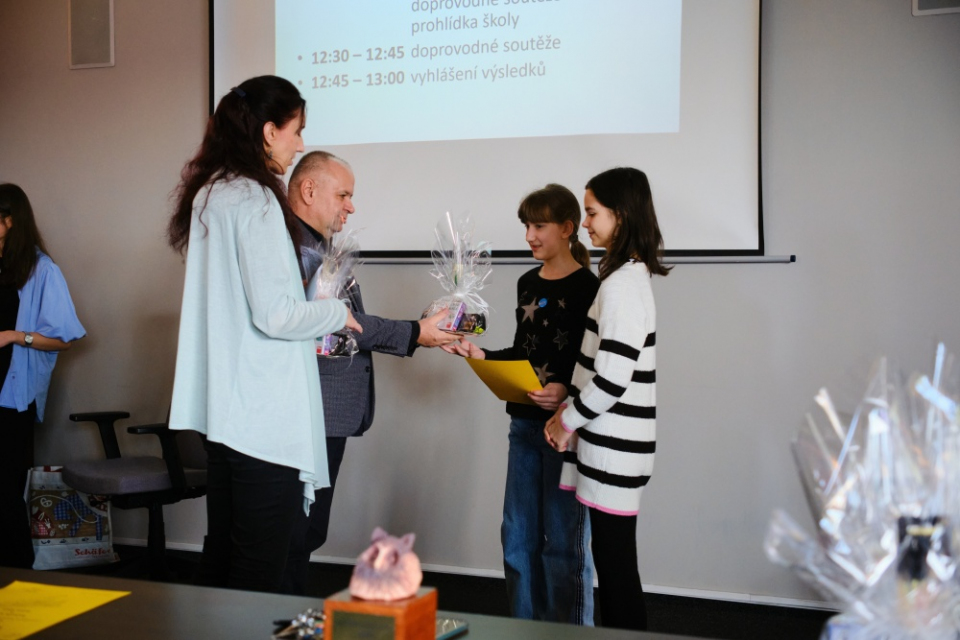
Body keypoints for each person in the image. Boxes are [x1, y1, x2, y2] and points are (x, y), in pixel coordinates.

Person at [166, 76, 361, 593]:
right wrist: (335, 313)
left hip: (226, 414)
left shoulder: (213, 191)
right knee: (259, 573)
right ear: (270, 131)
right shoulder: (255, 198)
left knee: (223, 558)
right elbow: (276, 315)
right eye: (297, 131)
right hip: (264, 420)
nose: (300, 144)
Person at [279, 151, 459, 594]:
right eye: (343, 195)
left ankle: (287, 613)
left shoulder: (320, 248)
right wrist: (415, 332)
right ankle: (278, 617)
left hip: (326, 416)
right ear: (308, 190)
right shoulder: (290, 249)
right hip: (306, 415)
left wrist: (422, 327)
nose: (351, 206)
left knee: (304, 535)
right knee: (291, 537)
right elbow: (337, 323)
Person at [443, 184, 598, 625]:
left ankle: (568, 633)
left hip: (566, 430)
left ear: (567, 228)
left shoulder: (591, 287)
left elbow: (594, 362)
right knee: (517, 536)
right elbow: (523, 352)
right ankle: (524, 628)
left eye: (539, 226)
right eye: (526, 226)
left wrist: (566, 392)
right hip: (525, 428)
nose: (529, 235)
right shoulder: (527, 283)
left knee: (563, 543)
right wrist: (483, 356)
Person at [544, 167, 670, 631]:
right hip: (615, 448)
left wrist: (566, 421)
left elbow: (613, 378)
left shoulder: (622, 286)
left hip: (615, 450)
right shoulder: (626, 280)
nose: (587, 223)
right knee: (615, 567)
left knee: (616, 573)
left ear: (622, 215)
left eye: (593, 213)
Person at [0, 183, 86, 570]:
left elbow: (64, 339)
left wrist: (15, 336)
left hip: (11, 395)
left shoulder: (41, 270)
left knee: (5, 491)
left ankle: (18, 575)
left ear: (10, 220)